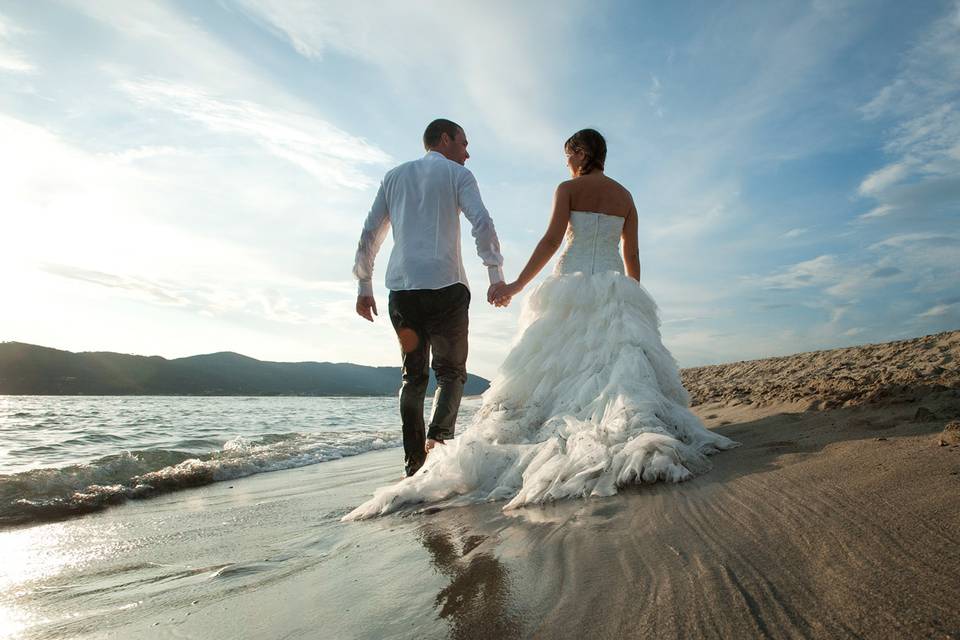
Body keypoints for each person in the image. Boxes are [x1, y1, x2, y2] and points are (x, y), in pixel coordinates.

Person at [345, 128, 738, 520]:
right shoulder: (626, 196)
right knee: (610, 367)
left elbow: (552, 241)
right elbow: (630, 251)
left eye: (569, 156)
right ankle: (441, 440)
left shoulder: (567, 189)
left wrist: (514, 284)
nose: (567, 163)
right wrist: (629, 295)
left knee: (538, 371)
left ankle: (416, 456)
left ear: (581, 154)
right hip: (614, 284)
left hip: (563, 283)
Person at [353, 118, 507, 478]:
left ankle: (413, 464)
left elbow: (370, 232)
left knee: (413, 379)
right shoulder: (457, 175)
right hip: (446, 288)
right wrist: (495, 274)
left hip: (403, 291)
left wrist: (364, 285)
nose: (467, 153)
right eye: (464, 143)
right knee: (451, 373)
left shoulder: (393, 177)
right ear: (444, 139)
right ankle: (438, 447)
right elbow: (481, 222)